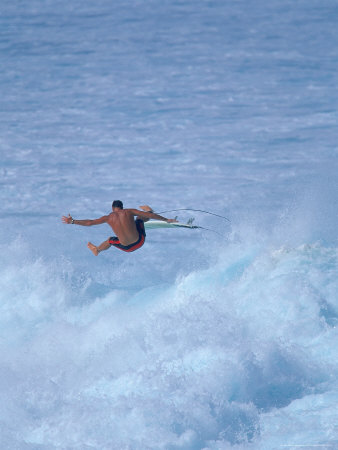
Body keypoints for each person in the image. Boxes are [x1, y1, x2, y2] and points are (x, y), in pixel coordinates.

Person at [61, 201, 177, 255]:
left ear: (112, 208)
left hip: (127, 248)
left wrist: (72, 221)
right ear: (122, 207)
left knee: (110, 240)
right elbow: (150, 216)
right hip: (140, 241)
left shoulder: (108, 217)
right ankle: (149, 208)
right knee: (141, 218)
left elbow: (89, 223)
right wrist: (166, 219)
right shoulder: (129, 211)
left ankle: (97, 250)